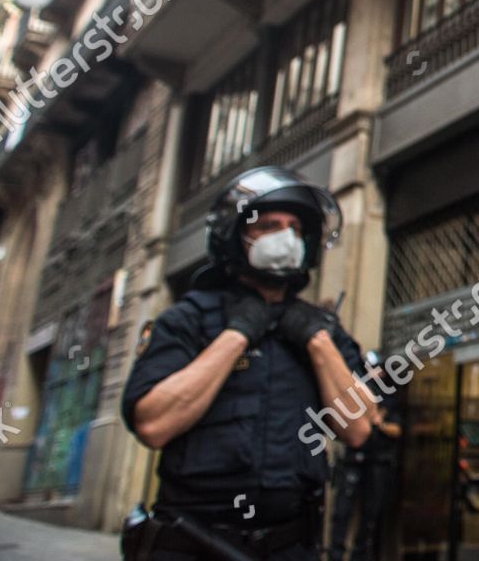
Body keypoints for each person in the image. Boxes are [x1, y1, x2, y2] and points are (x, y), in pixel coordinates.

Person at [121, 166, 372, 560]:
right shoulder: (187, 318)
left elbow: (357, 428)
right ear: (234, 236)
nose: (285, 237)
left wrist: (318, 341)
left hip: (289, 546)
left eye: (295, 227)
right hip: (195, 544)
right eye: (269, 225)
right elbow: (153, 425)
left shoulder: (320, 330)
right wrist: (237, 334)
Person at [328, 355, 402, 561]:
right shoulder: (356, 395)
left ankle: (359, 555)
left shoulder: (390, 399)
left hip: (377, 462)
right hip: (353, 460)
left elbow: (397, 429)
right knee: (341, 513)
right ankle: (335, 554)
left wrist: (379, 422)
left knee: (370, 514)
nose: (374, 374)